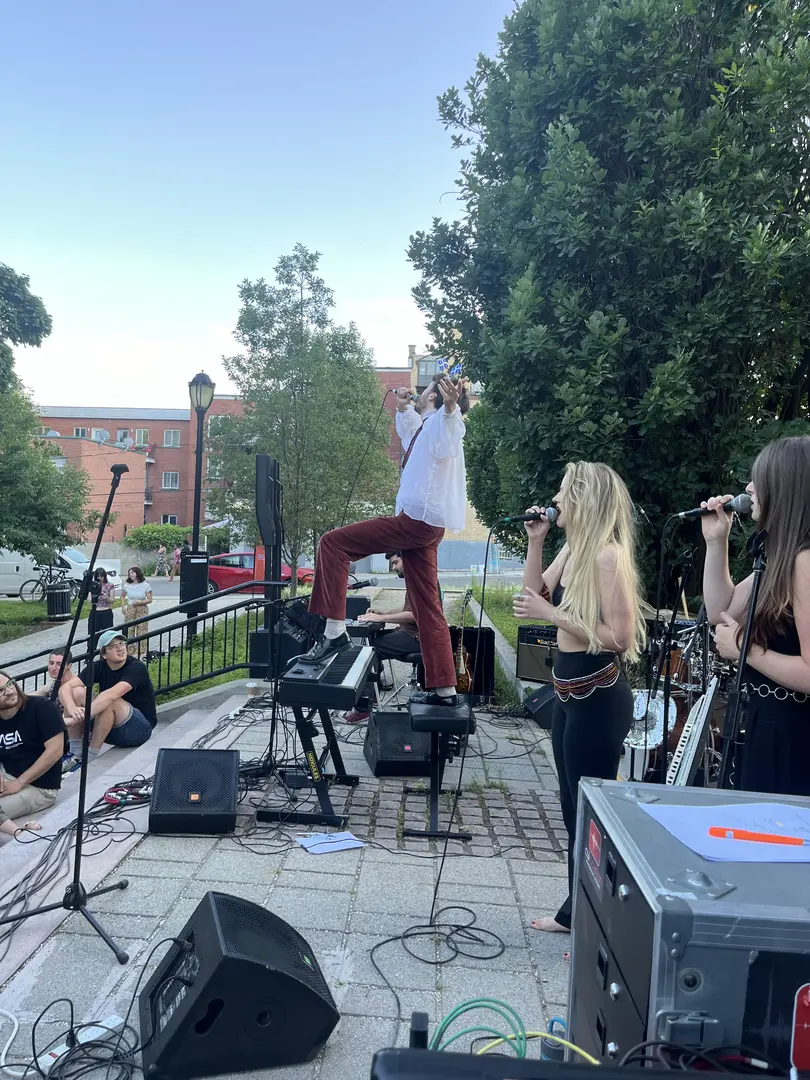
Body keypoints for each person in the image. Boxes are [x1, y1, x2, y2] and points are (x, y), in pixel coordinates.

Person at [513, 461, 645, 934]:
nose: (555, 499)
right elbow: (532, 595)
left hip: (599, 699)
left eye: (564, 491)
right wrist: (536, 542)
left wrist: (552, 614)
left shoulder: (607, 557)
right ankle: (579, 912)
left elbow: (621, 637)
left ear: (584, 500)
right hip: (568, 695)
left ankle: (594, 918)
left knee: (590, 815)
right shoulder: (573, 549)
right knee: (573, 809)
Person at [297, 376, 469, 708]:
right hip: (426, 526)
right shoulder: (425, 426)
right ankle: (445, 690)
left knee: (332, 544)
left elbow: (449, 432)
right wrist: (403, 408)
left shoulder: (441, 424)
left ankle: (333, 632)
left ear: (435, 398)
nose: (419, 393)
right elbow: (411, 431)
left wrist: (451, 408)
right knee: (428, 608)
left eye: (425, 391)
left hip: (416, 521)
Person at [701, 435, 810, 796]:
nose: (748, 489)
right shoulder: (778, 555)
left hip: (792, 736)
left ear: (784, 489)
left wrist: (743, 649)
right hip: (762, 723)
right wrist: (716, 542)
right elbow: (721, 610)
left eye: (757, 481)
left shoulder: (804, 561)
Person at [341, 551, 424, 725]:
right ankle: (372, 695)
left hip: (418, 638)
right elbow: (407, 608)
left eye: (395, 563)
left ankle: (364, 707)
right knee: (371, 640)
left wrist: (381, 618)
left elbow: (414, 615)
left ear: (407, 559)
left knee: (368, 651)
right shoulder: (416, 578)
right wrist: (383, 613)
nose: (394, 568)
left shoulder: (420, 580)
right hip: (410, 633)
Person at [59, 629, 156, 757]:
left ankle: (90, 757)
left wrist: (76, 718)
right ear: (104, 654)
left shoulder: (136, 667)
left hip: (139, 731)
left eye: (121, 644)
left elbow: (111, 695)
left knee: (110, 700)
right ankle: (75, 752)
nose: (120, 648)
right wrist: (72, 709)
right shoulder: (98, 666)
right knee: (77, 692)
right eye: (113, 646)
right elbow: (65, 687)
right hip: (109, 730)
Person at [0, 672, 64, 839]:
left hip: (41, 787)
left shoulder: (41, 707)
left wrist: (19, 782)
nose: (9, 691)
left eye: (10, 684)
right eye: (1, 690)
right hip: (9, 776)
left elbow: (56, 750)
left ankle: (19, 832)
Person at [121, 566, 152, 659]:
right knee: (129, 629)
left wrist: (140, 602)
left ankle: (142, 651)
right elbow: (122, 596)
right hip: (131, 608)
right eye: (129, 573)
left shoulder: (146, 585)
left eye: (132, 573)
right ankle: (130, 651)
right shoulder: (126, 585)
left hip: (142, 608)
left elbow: (150, 599)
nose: (131, 575)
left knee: (142, 629)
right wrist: (123, 606)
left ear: (137, 573)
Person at [88, 567, 115, 640]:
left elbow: (112, 600)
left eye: (102, 576)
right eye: (98, 576)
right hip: (95, 611)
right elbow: (89, 599)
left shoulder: (110, 585)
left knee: (108, 633)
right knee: (93, 633)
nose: (100, 578)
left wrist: (106, 597)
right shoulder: (93, 585)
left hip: (106, 611)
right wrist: (95, 597)